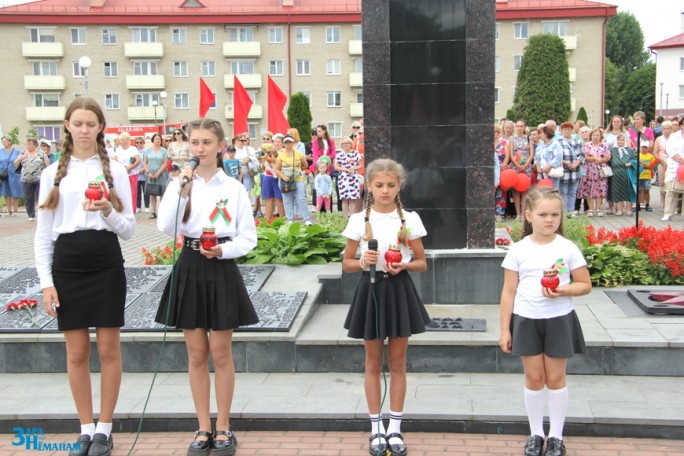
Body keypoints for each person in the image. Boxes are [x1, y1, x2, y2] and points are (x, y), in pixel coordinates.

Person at [35, 97, 135, 456]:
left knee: (109, 349)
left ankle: (104, 430)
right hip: (67, 266)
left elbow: (129, 230)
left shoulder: (116, 171)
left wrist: (107, 208)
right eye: (77, 123)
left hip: (106, 263)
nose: (84, 130)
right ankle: (84, 427)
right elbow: (43, 234)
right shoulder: (53, 173)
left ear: (101, 127)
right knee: (76, 351)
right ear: (66, 125)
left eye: (90, 124)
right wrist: (46, 282)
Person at [155, 118, 258, 456]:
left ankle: (225, 425)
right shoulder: (181, 182)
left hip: (221, 265)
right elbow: (165, 226)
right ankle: (202, 427)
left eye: (206, 142)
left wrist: (223, 250)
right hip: (190, 265)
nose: (199, 149)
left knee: (220, 352)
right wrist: (180, 188)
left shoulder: (234, 187)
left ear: (220, 146)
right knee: (197, 353)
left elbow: (248, 237)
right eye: (194, 143)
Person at [342, 158, 430, 456]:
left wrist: (404, 264)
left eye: (391, 185)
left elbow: (421, 263)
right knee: (372, 362)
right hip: (370, 289)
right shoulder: (358, 220)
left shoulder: (410, 219)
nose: (385, 190)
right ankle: (375, 427)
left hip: (399, 289)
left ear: (399, 186)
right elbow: (347, 263)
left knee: (398, 362)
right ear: (369, 186)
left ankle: (395, 427)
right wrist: (362, 262)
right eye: (379, 185)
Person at [499, 187, 591, 456]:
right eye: (542, 214)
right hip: (527, 319)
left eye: (555, 214)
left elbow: (585, 284)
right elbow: (508, 291)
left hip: (559, 319)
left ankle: (556, 437)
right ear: (528, 215)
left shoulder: (567, 247)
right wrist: (505, 328)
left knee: (555, 377)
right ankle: (536, 434)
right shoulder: (518, 249)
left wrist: (565, 290)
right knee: (534, 377)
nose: (549, 220)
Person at [275, 134, 310, 224]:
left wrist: (298, 171)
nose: (288, 144)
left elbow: (305, 165)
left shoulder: (298, 154)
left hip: (297, 180)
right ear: (283, 144)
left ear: (293, 143)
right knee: (287, 200)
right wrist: (283, 177)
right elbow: (277, 169)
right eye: (286, 142)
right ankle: (290, 219)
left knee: (301, 199)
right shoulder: (280, 155)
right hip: (284, 181)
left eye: (290, 142)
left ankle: (306, 219)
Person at [576, 129, 611, 217]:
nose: (595, 137)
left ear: (601, 136)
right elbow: (586, 157)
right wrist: (595, 159)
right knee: (589, 188)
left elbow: (608, 156)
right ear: (591, 136)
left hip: (601, 170)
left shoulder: (604, 145)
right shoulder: (587, 145)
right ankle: (590, 209)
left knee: (600, 188)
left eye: (597, 135)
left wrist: (602, 159)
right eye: (594, 135)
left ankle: (598, 208)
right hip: (589, 169)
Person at [14, 138, 50, 221]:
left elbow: (47, 165)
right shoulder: (23, 153)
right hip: (26, 179)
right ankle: (31, 215)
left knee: (41, 196)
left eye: (30, 144)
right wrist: (20, 158)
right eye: (27, 144)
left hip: (39, 179)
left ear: (35, 145)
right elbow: (15, 164)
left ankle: (43, 213)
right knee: (28, 198)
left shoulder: (41, 154)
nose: (28, 146)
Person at [506, 120, 533, 220]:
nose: (519, 128)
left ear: (524, 127)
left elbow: (531, 154)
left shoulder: (529, 138)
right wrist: (517, 164)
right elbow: (511, 153)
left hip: (526, 167)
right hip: (515, 167)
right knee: (516, 191)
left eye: (521, 126)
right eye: (517, 126)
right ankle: (518, 214)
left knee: (525, 190)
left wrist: (525, 165)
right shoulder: (512, 139)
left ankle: (524, 213)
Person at [558, 122, 583, 217]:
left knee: (573, 191)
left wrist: (576, 163)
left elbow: (582, 154)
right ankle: (564, 211)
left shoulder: (577, 141)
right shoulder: (558, 142)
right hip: (564, 170)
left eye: (569, 129)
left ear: (571, 130)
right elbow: (557, 155)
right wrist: (566, 162)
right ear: (561, 131)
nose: (567, 131)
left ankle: (571, 210)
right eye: (565, 129)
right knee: (563, 191)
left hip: (575, 170)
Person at [334, 136, 364, 217]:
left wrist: (353, 168)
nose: (345, 145)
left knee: (353, 198)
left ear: (351, 144)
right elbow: (336, 167)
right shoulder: (339, 154)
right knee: (344, 199)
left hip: (353, 178)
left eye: (347, 143)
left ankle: (352, 217)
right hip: (343, 179)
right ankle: (345, 218)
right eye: (343, 143)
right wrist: (345, 170)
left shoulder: (356, 153)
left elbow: (360, 165)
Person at [608, 134, 637, 216]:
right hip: (615, 174)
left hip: (627, 173)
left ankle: (629, 210)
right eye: (618, 140)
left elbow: (635, 160)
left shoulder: (630, 150)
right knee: (617, 191)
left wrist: (631, 162)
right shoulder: (612, 150)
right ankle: (619, 210)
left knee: (628, 191)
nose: (620, 141)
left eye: (622, 140)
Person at [662, 117, 684, 221]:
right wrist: (679, 159)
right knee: (671, 191)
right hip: (675, 165)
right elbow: (669, 149)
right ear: (681, 125)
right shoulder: (674, 136)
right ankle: (668, 213)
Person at [113, 132, 140, 215]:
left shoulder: (133, 149)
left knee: (132, 193)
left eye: (122, 140)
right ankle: (123, 209)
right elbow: (115, 161)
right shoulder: (118, 150)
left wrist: (129, 168)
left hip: (131, 174)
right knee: (121, 191)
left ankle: (132, 210)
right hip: (121, 174)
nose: (120, 142)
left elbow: (138, 161)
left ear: (127, 140)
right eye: (120, 140)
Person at [143, 133, 169, 219]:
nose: (158, 140)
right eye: (156, 139)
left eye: (159, 139)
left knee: (162, 193)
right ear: (153, 140)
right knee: (152, 193)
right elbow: (145, 162)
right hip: (150, 175)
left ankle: (163, 211)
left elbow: (165, 163)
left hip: (161, 174)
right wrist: (148, 172)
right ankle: (153, 212)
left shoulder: (164, 151)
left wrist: (158, 173)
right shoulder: (148, 150)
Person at [535, 125, 563, 190]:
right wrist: (537, 165)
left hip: (552, 173)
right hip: (542, 173)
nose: (540, 135)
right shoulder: (541, 145)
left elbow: (558, 157)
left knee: (552, 191)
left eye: (541, 133)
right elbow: (536, 157)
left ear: (546, 133)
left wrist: (549, 166)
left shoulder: (555, 144)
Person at [0, 135, 22, 216]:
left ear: (10, 142)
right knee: (6, 192)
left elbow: (20, 162)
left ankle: (15, 210)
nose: (3, 142)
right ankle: (9, 211)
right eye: (2, 141)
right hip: (4, 175)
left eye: (5, 141)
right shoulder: (0, 151)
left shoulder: (16, 151)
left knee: (15, 192)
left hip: (14, 174)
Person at [654, 121, 672, 207]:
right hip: (662, 161)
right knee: (662, 182)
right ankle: (664, 203)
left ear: (671, 129)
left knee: (671, 183)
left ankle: (671, 204)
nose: (666, 130)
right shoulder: (659, 139)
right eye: (664, 129)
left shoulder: (674, 138)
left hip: (672, 161)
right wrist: (661, 161)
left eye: (667, 128)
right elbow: (655, 152)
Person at [637, 140, 657, 212]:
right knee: (639, 191)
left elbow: (653, 166)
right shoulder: (637, 155)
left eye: (645, 147)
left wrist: (646, 166)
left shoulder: (650, 156)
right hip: (639, 176)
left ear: (648, 148)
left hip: (647, 176)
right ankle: (638, 204)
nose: (644, 149)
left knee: (646, 190)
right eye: (642, 147)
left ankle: (647, 204)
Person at [494, 125, 508, 221]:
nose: (493, 133)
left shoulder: (503, 144)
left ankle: (499, 213)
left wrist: (504, 164)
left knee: (501, 192)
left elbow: (507, 156)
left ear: (498, 133)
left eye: (495, 131)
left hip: (502, 169)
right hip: (492, 170)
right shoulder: (486, 143)